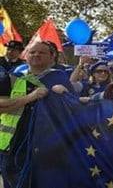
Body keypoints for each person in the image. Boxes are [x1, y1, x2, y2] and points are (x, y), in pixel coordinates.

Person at [0, 41, 73, 188]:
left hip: (45, 146)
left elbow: (73, 109)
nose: (36, 55)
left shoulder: (60, 78)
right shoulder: (12, 77)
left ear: (52, 57)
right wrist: (30, 97)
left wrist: (67, 95)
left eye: (41, 52)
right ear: (26, 56)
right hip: (11, 144)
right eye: (32, 52)